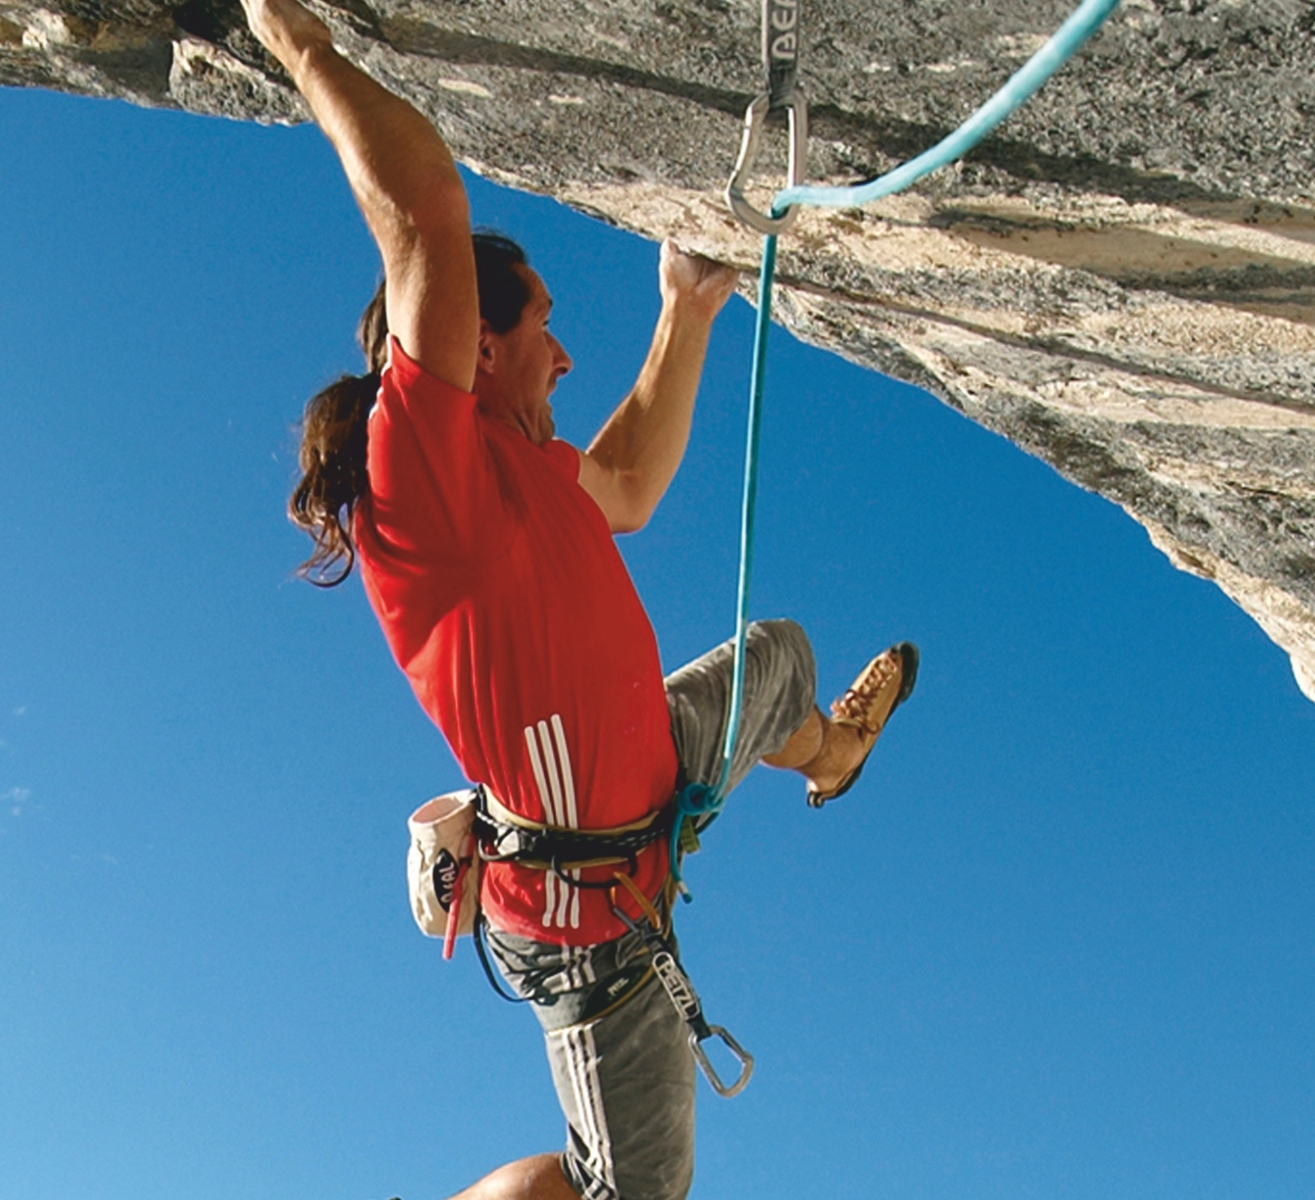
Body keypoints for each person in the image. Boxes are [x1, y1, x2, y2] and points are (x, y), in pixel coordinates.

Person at [244, 2, 918, 1197]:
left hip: (648, 781)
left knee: (778, 659)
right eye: (544, 325)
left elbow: (632, 481)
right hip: (588, 920)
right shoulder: (424, 482)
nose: (563, 354)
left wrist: (687, 308)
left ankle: (831, 752)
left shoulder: (528, 474)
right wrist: (300, 44)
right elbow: (424, 225)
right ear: (481, 346)